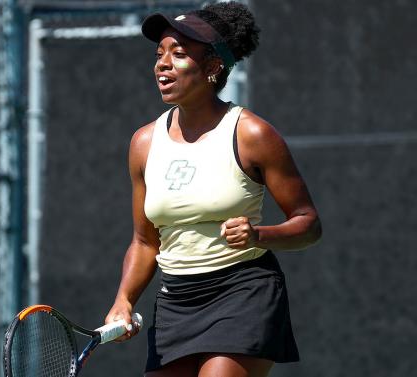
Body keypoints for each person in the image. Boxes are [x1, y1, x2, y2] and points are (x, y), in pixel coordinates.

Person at [104, 2, 322, 376]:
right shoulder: (143, 143)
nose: (163, 64)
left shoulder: (252, 134)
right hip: (175, 302)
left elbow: (308, 223)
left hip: (243, 293)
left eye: (179, 54)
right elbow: (144, 242)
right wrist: (123, 300)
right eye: (159, 55)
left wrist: (258, 234)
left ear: (212, 67)